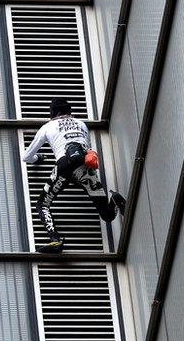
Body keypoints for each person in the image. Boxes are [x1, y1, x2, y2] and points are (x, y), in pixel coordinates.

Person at [22, 97, 126, 253]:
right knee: (107, 215)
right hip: (86, 166)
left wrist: (39, 158)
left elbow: (26, 157)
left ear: (53, 113)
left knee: (42, 204)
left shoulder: (48, 127)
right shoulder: (82, 124)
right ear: (69, 111)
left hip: (65, 165)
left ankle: (55, 240)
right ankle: (115, 200)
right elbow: (87, 147)